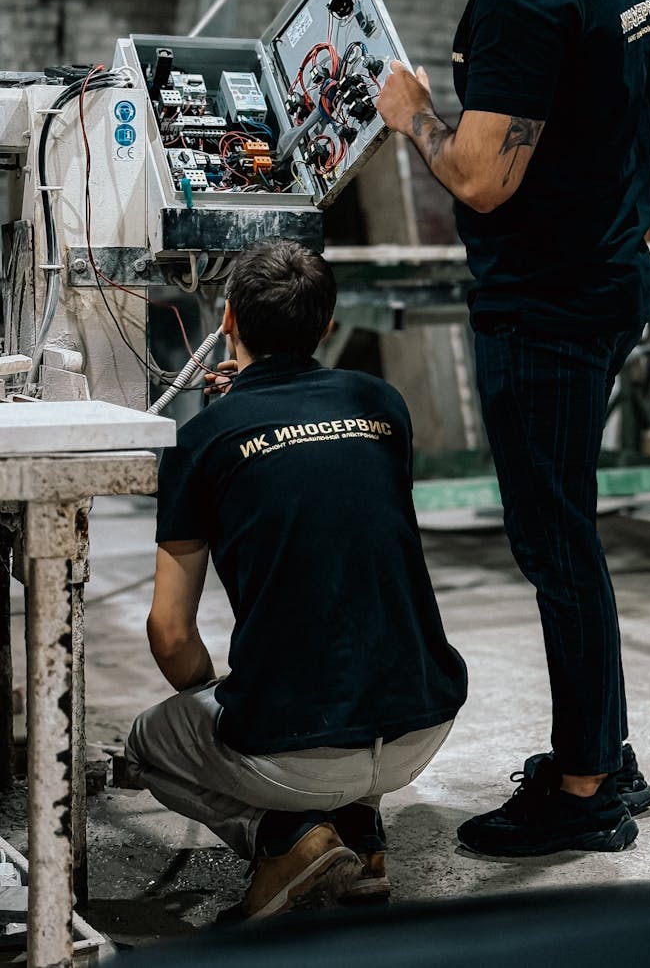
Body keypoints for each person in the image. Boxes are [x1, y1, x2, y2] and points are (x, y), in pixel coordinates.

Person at [376, 0, 650, 857]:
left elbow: (484, 179)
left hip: (546, 306)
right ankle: (606, 751)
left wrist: (409, 115)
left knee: (554, 545)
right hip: (606, 278)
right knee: (571, 537)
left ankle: (582, 789)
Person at [125, 240, 467, 918]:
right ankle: (361, 834)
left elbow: (169, 632)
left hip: (295, 752)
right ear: (329, 325)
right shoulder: (383, 405)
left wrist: (219, 715)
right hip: (422, 724)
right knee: (351, 628)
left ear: (228, 319)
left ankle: (289, 836)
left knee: (148, 743)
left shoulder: (204, 440)